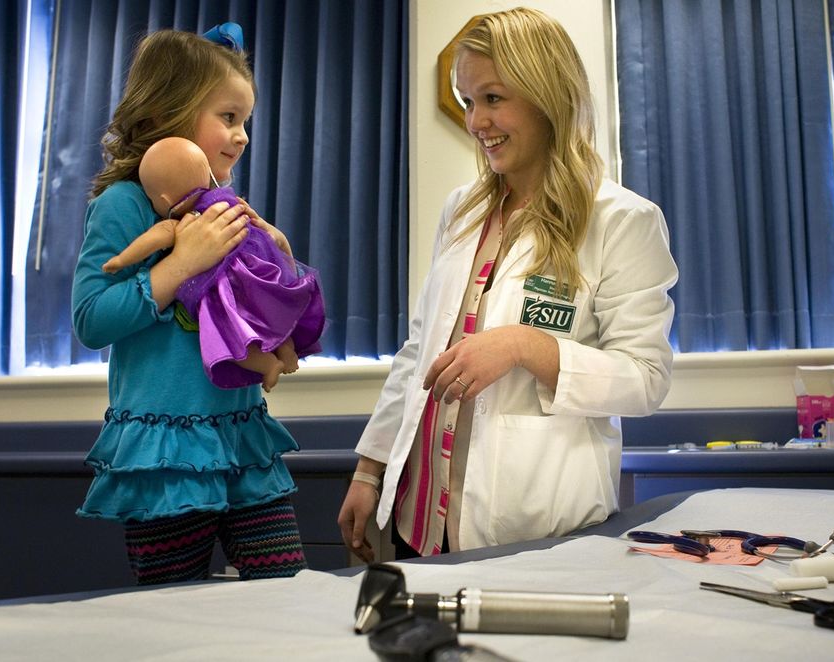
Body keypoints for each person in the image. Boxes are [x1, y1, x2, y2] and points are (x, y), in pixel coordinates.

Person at [337, 7, 679, 561]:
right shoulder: (461, 212)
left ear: (548, 96)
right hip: (417, 519)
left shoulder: (620, 220)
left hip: (533, 525)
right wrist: (370, 469)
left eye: (493, 99)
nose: (476, 122)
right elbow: (419, 351)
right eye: (470, 102)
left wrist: (526, 346)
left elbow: (646, 378)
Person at [72, 24, 310, 584]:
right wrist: (179, 266)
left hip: (241, 435)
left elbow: (260, 300)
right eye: (228, 118)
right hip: (165, 452)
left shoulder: (226, 207)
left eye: (244, 121)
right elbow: (90, 318)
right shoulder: (123, 204)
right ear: (164, 119)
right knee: (173, 609)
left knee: (285, 588)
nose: (243, 135)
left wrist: (280, 255)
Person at [101, 136, 325, 392]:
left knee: (231, 333)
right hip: (262, 274)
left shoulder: (189, 221)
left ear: (163, 199)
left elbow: (155, 237)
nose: (243, 136)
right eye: (229, 117)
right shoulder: (230, 203)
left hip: (231, 289)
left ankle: (267, 366)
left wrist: (121, 260)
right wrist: (278, 245)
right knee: (270, 315)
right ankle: (286, 348)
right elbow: (264, 237)